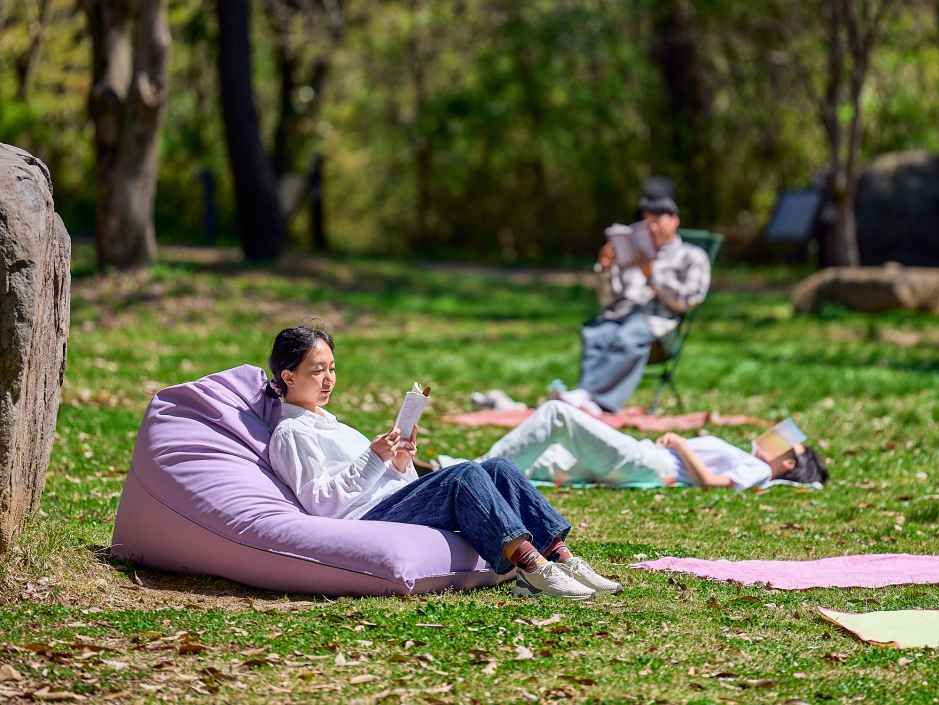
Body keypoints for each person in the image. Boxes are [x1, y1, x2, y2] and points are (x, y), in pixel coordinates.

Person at [264, 325, 622, 600]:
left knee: (497, 468)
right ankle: (531, 567)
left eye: (332, 369)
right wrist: (374, 458)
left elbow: (382, 482)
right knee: (462, 474)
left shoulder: (329, 422)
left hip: (386, 504)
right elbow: (322, 504)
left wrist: (399, 462)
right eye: (316, 371)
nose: (328, 380)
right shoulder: (292, 433)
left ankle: (561, 557)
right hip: (363, 520)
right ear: (288, 376)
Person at [557, 196, 711, 415]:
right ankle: (589, 400)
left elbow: (688, 300)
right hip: (622, 316)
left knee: (630, 334)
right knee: (596, 332)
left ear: (675, 220)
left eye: (657, 220)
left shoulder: (692, 256)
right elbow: (607, 300)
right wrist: (605, 267)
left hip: (660, 323)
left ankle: (591, 398)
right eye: (646, 223)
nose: (652, 227)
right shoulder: (631, 255)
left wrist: (653, 275)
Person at [481, 401, 828, 490]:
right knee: (542, 459)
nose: (779, 439)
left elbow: (712, 484)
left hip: (647, 461)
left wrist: (680, 444)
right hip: (645, 459)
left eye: (789, 448)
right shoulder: (751, 460)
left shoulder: (760, 469)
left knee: (559, 415)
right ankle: (455, 473)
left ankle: (475, 473)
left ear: (786, 466)